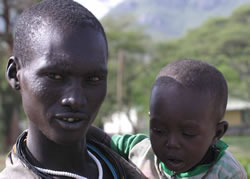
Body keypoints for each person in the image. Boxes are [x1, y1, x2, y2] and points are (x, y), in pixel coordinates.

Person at [0, 0, 145, 178]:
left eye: (93, 79)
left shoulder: (142, 165)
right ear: (15, 74)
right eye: (55, 76)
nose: (76, 99)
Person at [89, 59, 247, 178]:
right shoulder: (142, 152)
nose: (171, 143)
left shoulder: (227, 172)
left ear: (217, 133)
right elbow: (102, 139)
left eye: (188, 133)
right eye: (159, 130)